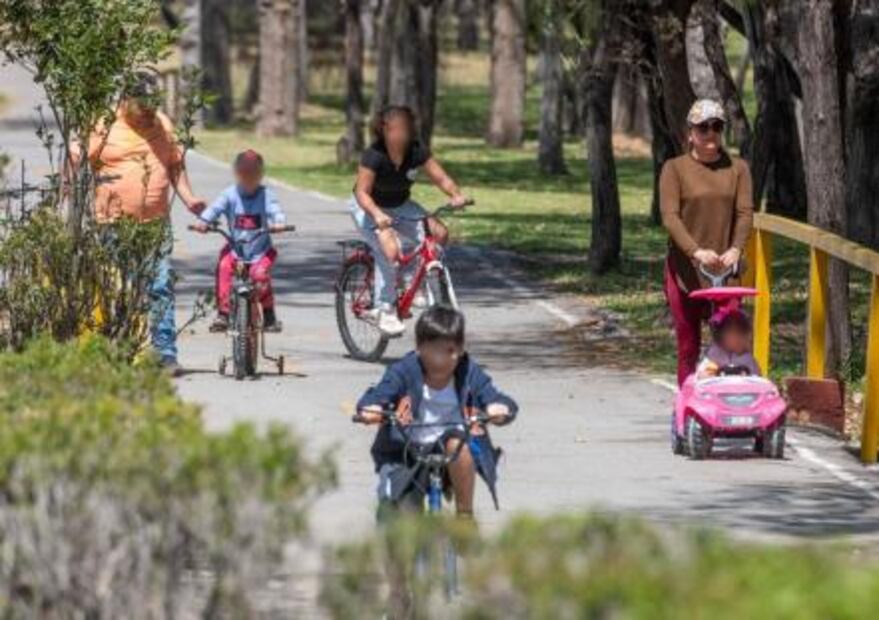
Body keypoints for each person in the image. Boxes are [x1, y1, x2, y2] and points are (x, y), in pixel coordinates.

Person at [85, 72, 206, 375]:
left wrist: (190, 199)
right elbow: (79, 160)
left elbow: (175, 165)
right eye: (144, 108)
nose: (150, 113)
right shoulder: (104, 124)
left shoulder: (163, 123)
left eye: (154, 106)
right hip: (113, 224)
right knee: (119, 288)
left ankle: (165, 354)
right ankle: (119, 350)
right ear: (126, 101)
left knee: (161, 285)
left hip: (155, 223)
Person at [356, 305, 517, 520]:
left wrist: (497, 408)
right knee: (400, 522)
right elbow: (379, 394)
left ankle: (465, 516)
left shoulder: (469, 372)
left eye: (450, 351)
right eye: (434, 350)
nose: (441, 360)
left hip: (453, 453)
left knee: (458, 442)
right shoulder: (404, 370)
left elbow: (494, 397)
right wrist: (374, 409)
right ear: (419, 348)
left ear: (460, 350)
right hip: (407, 453)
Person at [351, 105, 470, 337]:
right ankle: (385, 307)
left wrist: (455, 195)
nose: (406, 133)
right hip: (368, 206)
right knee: (390, 251)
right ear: (385, 129)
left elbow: (441, 177)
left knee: (438, 234)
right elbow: (362, 193)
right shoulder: (374, 155)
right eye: (400, 128)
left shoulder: (416, 151)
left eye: (408, 127)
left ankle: (417, 288)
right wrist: (377, 216)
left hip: (401, 205)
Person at [660, 99, 754, 386]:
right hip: (686, 271)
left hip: (725, 274)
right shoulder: (674, 169)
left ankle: (730, 405)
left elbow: (745, 212)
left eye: (717, 126)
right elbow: (670, 216)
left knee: (731, 345)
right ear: (690, 133)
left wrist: (736, 248)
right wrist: (696, 251)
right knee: (688, 347)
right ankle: (688, 407)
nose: (710, 133)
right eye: (703, 128)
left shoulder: (738, 168)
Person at [193, 150, 287, 333]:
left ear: (261, 174)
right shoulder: (229, 194)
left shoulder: (267, 195)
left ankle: (269, 315)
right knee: (224, 267)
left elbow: (276, 210)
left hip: (261, 250)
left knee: (260, 276)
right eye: (244, 173)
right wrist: (204, 221)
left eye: (254, 174)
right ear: (236, 173)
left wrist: (279, 222)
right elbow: (215, 208)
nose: (249, 178)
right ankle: (223, 314)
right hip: (236, 249)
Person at [696, 305, 761, 379]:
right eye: (730, 332)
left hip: (741, 389)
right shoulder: (714, 355)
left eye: (739, 332)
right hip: (718, 389)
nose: (735, 337)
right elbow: (702, 373)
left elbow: (756, 377)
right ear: (721, 334)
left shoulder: (747, 358)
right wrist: (706, 375)